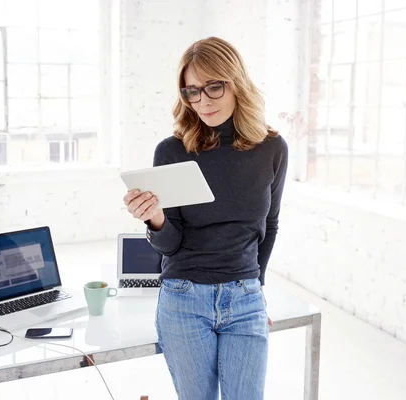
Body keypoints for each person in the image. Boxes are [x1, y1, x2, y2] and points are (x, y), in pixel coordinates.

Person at [122, 36, 288, 400]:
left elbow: (269, 225)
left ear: (236, 82)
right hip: (184, 299)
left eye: (214, 86)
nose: (203, 101)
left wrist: (255, 290)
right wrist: (155, 221)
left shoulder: (272, 148)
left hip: (245, 298)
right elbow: (172, 243)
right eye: (192, 91)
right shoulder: (172, 150)